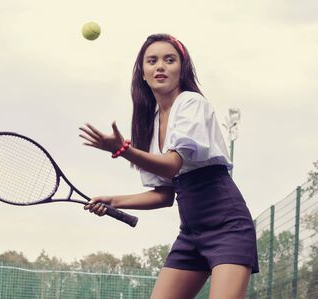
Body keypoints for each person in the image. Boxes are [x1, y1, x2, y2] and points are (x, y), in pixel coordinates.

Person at [79, 34, 259, 299]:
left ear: (181, 69)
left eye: (169, 60)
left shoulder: (191, 103)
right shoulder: (149, 123)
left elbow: (172, 166)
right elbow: (165, 194)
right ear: (142, 72)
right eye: (152, 61)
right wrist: (113, 201)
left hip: (228, 227)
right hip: (190, 234)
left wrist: (123, 150)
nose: (160, 66)